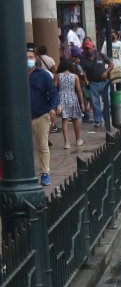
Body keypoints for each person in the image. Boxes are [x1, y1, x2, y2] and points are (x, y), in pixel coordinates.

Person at [28, 51, 58, 186]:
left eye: (30, 57)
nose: (28, 60)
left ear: (35, 59)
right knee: (23, 147)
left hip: (41, 115)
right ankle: (26, 173)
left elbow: (53, 93)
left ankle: (45, 173)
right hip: (22, 118)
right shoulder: (16, 75)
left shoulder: (43, 75)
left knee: (43, 146)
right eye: (26, 57)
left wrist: (52, 108)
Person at [79, 40, 113, 133]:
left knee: (108, 100)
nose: (88, 50)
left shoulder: (100, 55)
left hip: (104, 82)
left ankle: (105, 114)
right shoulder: (83, 59)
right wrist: (85, 80)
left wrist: (106, 72)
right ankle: (98, 120)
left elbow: (111, 64)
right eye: (86, 48)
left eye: (89, 48)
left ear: (93, 47)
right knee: (95, 103)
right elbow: (81, 71)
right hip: (93, 83)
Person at [57, 58, 85, 149]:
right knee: (75, 119)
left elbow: (54, 88)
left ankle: (67, 143)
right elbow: (79, 90)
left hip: (62, 98)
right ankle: (78, 140)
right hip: (73, 98)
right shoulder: (74, 76)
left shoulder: (58, 75)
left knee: (64, 121)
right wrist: (82, 103)